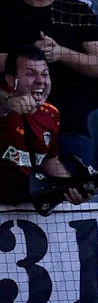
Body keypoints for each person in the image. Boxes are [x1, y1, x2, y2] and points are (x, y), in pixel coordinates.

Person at [0, 0, 98, 166]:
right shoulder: (4, 10)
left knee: (76, 196)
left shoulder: (76, 10)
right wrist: (27, 57)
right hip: (14, 124)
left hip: (70, 127)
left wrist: (61, 53)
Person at [0, 46, 75, 206]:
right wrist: (9, 103)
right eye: (30, 74)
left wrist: (73, 187)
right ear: (11, 80)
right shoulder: (6, 106)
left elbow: (50, 162)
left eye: (45, 74)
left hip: (26, 206)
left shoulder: (51, 114)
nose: (41, 80)